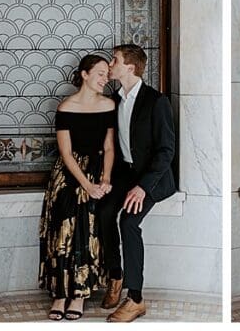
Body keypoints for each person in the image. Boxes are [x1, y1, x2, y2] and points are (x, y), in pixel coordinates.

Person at [98, 44, 176, 323]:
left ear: (130, 67)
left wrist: (142, 187)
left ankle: (136, 299)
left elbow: (166, 150)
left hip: (151, 178)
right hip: (124, 174)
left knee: (129, 223)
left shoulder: (156, 101)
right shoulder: (113, 99)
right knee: (103, 211)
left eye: (114, 60)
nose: (110, 64)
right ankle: (115, 276)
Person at [39, 54, 116, 321]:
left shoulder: (108, 105)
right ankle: (60, 294)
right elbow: (66, 153)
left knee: (88, 227)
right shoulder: (66, 107)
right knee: (63, 228)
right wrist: (86, 185)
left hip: (98, 169)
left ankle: (79, 295)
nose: (105, 79)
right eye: (100, 74)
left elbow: (109, 146)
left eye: (107, 74)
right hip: (69, 173)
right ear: (84, 74)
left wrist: (105, 179)